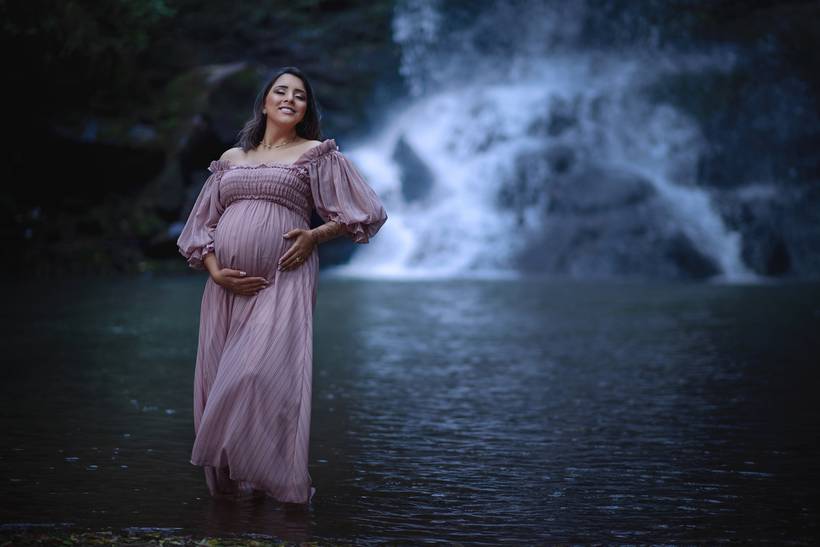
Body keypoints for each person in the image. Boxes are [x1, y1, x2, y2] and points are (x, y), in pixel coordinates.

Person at [176, 66, 387, 506]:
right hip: (225, 287)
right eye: (281, 91)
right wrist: (215, 271)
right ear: (265, 101)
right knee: (218, 379)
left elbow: (364, 211)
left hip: (283, 276)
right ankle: (238, 487)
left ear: (307, 109)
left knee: (256, 374)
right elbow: (201, 227)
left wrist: (314, 236)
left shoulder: (316, 154)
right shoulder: (231, 158)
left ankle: (272, 479)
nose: (290, 99)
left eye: (300, 95)